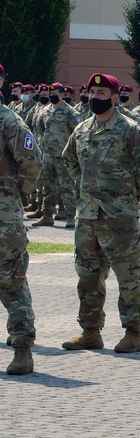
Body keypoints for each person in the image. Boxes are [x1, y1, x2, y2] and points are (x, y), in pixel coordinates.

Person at [62, 73, 140, 354]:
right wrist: (86, 186)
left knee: (128, 277)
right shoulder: (81, 130)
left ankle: (133, 333)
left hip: (120, 218)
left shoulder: (130, 130)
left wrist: (129, 192)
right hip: (88, 217)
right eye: (92, 93)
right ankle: (90, 331)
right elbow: (69, 159)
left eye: (102, 94)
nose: (95, 98)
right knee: (88, 277)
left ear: (115, 98)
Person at [0, 63, 41, 375]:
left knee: (12, 281)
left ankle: (23, 348)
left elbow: (30, 162)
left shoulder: (9, 121)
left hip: (3, 217)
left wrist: (19, 197)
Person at [33, 83, 82, 229]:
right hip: (47, 155)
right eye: (51, 92)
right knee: (47, 187)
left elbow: (78, 132)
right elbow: (39, 127)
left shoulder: (70, 112)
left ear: (61, 94)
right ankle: (47, 215)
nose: (53, 94)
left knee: (67, 187)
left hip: (63, 156)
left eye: (55, 92)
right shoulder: (45, 110)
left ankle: (70, 217)